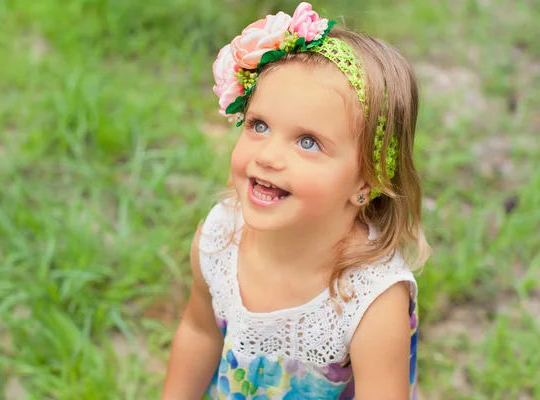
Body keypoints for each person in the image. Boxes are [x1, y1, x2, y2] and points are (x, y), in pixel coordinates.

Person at [162, 2, 430, 399]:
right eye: (259, 125)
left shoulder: (371, 299)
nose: (268, 156)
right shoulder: (219, 239)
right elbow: (200, 331)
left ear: (366, 180)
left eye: (308, 142)